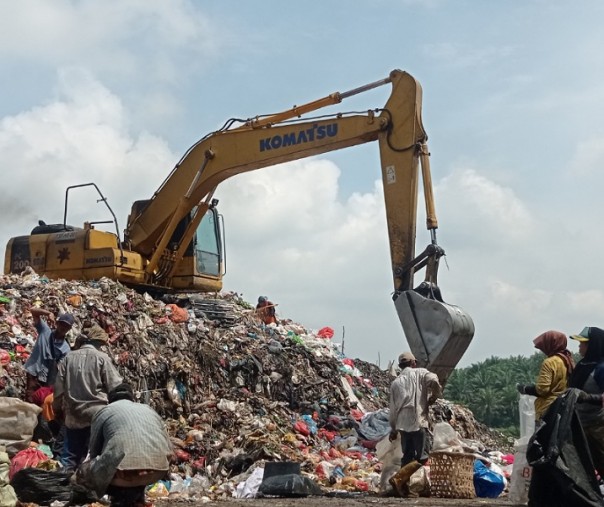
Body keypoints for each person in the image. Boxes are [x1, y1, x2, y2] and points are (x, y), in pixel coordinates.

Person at [75, 383, 173, 507]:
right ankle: (138, 499)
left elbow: (94, 451)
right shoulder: (148, 409)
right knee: (135, 463)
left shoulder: (104, 411)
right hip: (157, 471)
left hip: (123, 476)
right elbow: (169, 449)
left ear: (110, 400)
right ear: (131, 398)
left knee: (85, 472)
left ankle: (119, 500)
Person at [53, 326, 122, 472]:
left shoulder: (68, 358)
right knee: (96, 456)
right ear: (98, 342)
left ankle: (62, 487)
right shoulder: (102, 358)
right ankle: (93, 488)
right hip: (97, 414)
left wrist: (57, 409)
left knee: (69, 456)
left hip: (73, 414)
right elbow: (115, 386)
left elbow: (58, 389)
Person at [388, 351, 442, 467]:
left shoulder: (395, 383)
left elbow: (393, 410)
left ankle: (403, 483)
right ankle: (421, 482)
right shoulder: (421, 373)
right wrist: (434, 396)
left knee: (407, 457)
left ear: (400, 366)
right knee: (423, 457)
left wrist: (393, 430)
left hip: (403, 424)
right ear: (413, 363)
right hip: (418, 422)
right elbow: (434, 380)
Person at [568, 326, 604, 478]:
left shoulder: (601, 368)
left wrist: (588, 397)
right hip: (579, 424)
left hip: (598, 425)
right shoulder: (582, 366)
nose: (579, 346)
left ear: (593, 345)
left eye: (583, 343)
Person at [516, 330, 575, 420]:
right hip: (564, 408)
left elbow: (542, 389)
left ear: (550, 345)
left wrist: (526, 389)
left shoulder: (549, 362)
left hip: (547, 409)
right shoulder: (568, 360)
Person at [24, 308, 73, 402]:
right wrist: (48, 313)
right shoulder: (45, 330)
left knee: (40, 403)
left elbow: (60, 369)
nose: (63, 327)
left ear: (69, 329)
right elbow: (33, 311)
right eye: (62, 324)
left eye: (66, 326)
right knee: (29, 401)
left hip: (45, 379)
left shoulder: (66, 348)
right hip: (33, 372)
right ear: (57, 323)